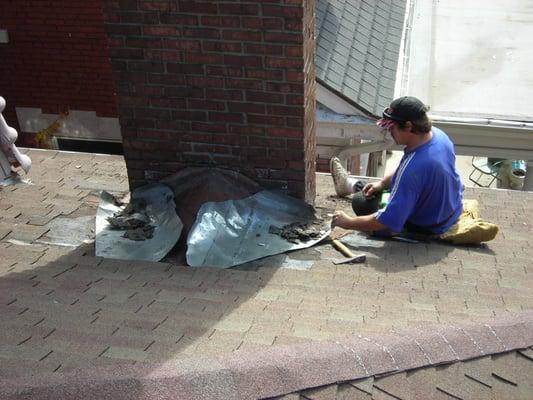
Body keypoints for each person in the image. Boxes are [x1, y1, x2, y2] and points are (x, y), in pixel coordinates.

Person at [330, 96, 464, 237]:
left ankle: (352, 186)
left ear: (408, 126)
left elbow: (387, 220)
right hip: (451, 210)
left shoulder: (413, 169)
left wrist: (348, 222)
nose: (389, 132)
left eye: (392, 127)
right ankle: (352, 185)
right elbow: (408, 171)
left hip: (427, 226)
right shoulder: (438, 136)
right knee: (376, 190)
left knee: (361, 202)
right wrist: (382, 184)